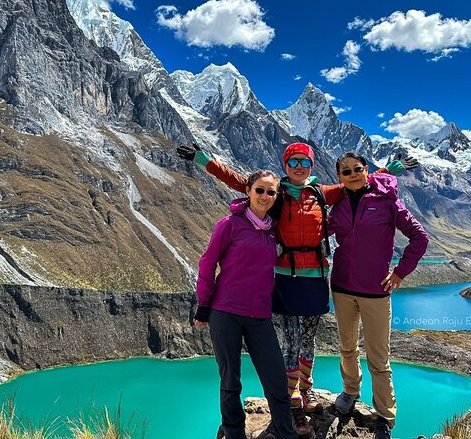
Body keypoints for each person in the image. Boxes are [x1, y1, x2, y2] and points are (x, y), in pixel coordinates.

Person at [179, 141, 418, 435]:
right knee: (291, 342)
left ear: (312, 165)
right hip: (285, 278)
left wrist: (390, 169)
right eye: (293, 162)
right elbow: (241, 180)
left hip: (315, 277)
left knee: (308, 339)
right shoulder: (275, 192)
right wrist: (205, 160)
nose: (299, 168)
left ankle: (306, 390)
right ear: (285, 165)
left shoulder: (322, 192)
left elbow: (357, 179)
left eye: (304, 162)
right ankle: (293, 402)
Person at [327, 152, 429, 439]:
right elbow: (321, 232)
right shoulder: (339, 205)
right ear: (339, 177)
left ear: (366, 170)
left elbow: (420, 237)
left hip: (376, 291)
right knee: (347, 348)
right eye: (346, 172)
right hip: (343, 288)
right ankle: (350, 392)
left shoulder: (386, 200)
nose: (352, 175)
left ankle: (384, 416)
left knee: (378, 358)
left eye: (357, 169)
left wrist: (400, 272)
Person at [194, 170, 297, 439]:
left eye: (271, 192)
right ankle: (234, 434)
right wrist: (204, 304)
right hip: (225, 312)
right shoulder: (230, 224)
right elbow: (207, 263)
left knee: (276, 380)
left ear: (277, 196)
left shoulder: (275, 230)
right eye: (260, 190)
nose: (265, 196)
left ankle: (287, 433)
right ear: (249, 190)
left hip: (259, 315)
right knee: (230, 382)